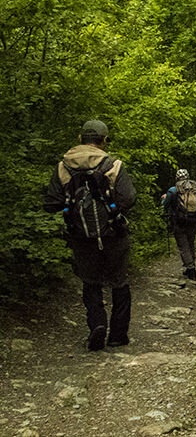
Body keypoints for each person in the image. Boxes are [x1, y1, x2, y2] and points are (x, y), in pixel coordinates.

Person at [44, 120, 136, 351]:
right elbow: (128, 199)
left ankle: (97, 324)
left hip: (81, 235)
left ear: (80, 138)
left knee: (90, 281)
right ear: (104, 140)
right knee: (119, 282)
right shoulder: (113, 164)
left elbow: (52, 203)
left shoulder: (63, 167)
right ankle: (118, 335)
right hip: (114, 233)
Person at [161, 168, 196, 280]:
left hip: (179, 221)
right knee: (190, 243)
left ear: (177, 178)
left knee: (183, 245)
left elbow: (165, 205)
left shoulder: (173, 190)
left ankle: (191, 270)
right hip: (193, 220)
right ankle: (190, 267)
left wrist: (164, 199)